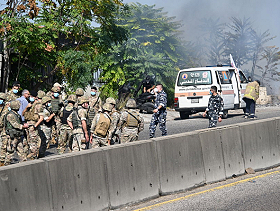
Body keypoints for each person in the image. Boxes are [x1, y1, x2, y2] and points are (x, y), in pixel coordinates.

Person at [0, 100, 28, 165]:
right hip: (13, 136)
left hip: (17, 135)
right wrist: (23, 126)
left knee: (21, 150)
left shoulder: (16, 114)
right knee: (10, 151)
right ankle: (6, 164)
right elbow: (15, 124)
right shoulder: (10, 115)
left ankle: (24, 162)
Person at [22, 90, 43, 160]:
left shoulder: (38, 105)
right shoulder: (29, 105)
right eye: (30, 96)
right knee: (27, 141)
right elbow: (23, 114)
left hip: (33, 124)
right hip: (27, 124)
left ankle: (33, 155)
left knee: (33, 141)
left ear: (35, 97)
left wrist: (35, 126)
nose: (30, 97)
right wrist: (26, 108)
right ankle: (29, 154)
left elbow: (41, 118)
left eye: (32, 96)